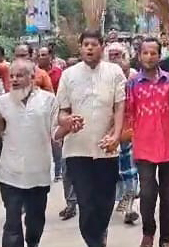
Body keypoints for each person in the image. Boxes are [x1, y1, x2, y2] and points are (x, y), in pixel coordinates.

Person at [56, 30, 125, 247]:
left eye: (94, 44)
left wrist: (115, 136)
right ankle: (95, 242)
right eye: (85, 44)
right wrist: (67, 121)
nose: (89, 48)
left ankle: (99, 235)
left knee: (105, 202)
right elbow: (62, 112)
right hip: (78, 149)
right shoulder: (69, 75)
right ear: (80, 47)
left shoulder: (114, 73)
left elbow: (119, 107)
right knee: (86, 203)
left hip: (106, 149)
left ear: (102, 46)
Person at [0, 59, 59, 247]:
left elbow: (55, 133)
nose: (14, 79)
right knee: (12, 224)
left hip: (39, 174)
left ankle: (33, 243)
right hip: (10, 175)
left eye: (19, 75)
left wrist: (67, 127)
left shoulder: (49, 101)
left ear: (32, 77)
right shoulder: (0, 103)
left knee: (35, 222)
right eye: (11, 76)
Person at [125, 37, 169, 247]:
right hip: (144, 145)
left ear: (160, 55)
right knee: (148, 192)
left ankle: (166, 237)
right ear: (139, 56)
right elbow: (128, 114)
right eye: (145, 53)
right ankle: (148, 232)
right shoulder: (132, 84)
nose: (150, 57)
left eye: (154, 53)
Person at [106, 42, 140, 225]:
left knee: (130, 170)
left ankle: (130, 207)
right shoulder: (104, 77)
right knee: (115, 171)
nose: (114, 58)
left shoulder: (134, 77)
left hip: (131, 130)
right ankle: (122, 201)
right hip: (109, 131)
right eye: (111, 55)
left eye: (118, 54)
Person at [38, 46, 64, 181]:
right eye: (39, 55)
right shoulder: (34, 73)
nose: (41, 57)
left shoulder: (58, 72)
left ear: (50, 57)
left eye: (44, 55)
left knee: (56, 141)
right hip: (39, 111)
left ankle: (58, 170)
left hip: (56, 110)